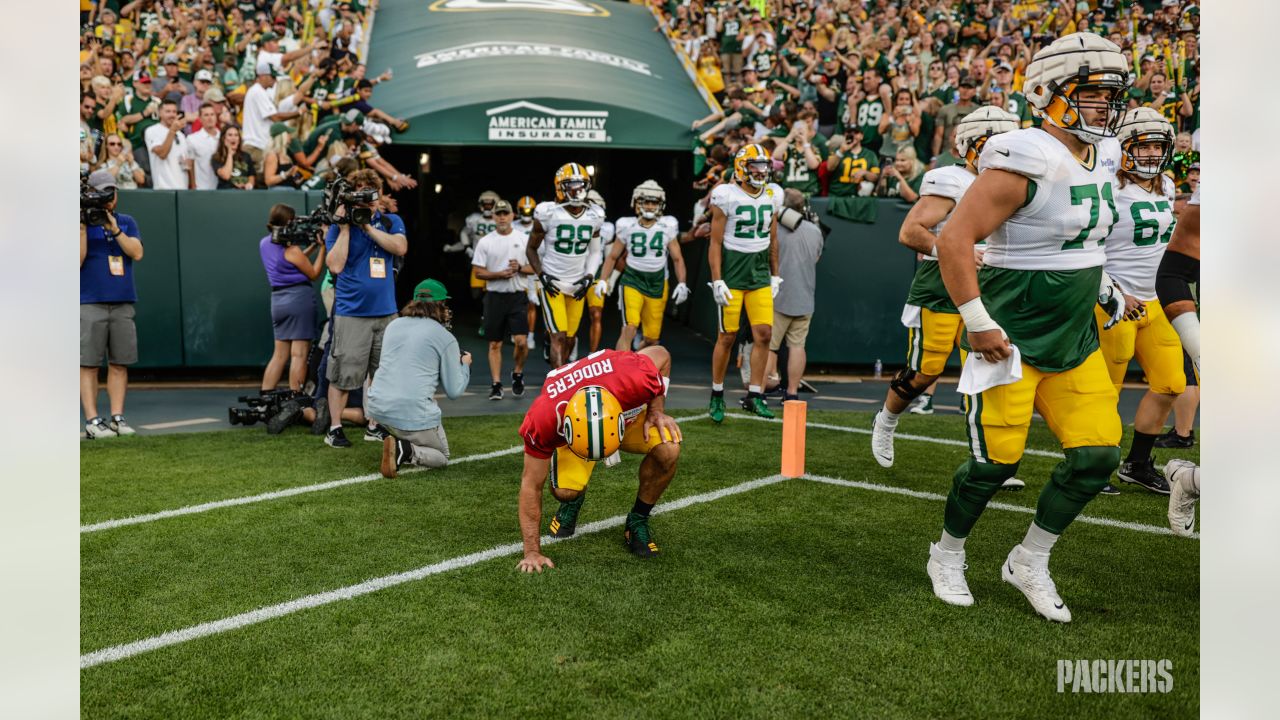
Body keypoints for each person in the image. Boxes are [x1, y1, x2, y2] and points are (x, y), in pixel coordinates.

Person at [926, 33, 1131, 623]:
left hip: (1075, 333)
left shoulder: (1108, 153)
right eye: (1088, 94)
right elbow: (953, 239)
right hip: (1011, 332)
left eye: (1108, 96)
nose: (1102, 107)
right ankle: (946, 553)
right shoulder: (1026, 153)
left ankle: (1029, 559)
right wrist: (976, 320)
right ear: (1046, 93)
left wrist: (1106, 285)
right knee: (995, 465)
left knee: (1096, 458)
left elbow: (1085, 240)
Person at [871, 106, 1020, 466]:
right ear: (969, 146)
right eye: (990, 143)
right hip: (940, 287)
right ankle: (887, 420)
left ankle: (989, 458)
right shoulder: (951, 180)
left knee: (988, 371)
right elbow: (910, 232)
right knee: (926, 371)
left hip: (989, 287)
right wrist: (956, 253)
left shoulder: (1016, 180)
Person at [516, 346, 683, 572]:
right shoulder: (545, 417)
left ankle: (637, 520)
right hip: (582, 428)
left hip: (624, 419)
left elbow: (663, 354)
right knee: (564, 491)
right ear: (565, 428)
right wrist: (532, 551)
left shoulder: (635, 378)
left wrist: (656, 409)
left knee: (669, 448)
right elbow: (531, 485)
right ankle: (572, 500)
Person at [1094, 108, 1183, 495]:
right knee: (1105, 390)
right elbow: (1086, 247)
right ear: (1124, 147)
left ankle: (1137, 463)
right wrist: (1114, 292)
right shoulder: (1106, 186)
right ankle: (1093, 466)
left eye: (1157, 146)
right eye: (1142, 145)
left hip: (1155, 301)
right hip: (1114, 301)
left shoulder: (1167, 185)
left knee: (1171, 383)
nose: (1150, 154)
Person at [323, 169, 408, 448]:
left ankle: (375, 424)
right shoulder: (338, 227)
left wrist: (369, 226)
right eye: (359, 194)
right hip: (352, 312)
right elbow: (334, 265)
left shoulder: (390, 220)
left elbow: (400, 247)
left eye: (370, 195)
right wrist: (348, 226)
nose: (365, 200)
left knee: (381, 373)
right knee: (344, 373)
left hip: (386, 311)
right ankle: (334, 428)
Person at [707, 144, 783, 421]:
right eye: (755, 166)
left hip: (760, 274)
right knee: (726, 336)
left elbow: (774, 240)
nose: (761, 171)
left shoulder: (773, 195)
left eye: (764, 166)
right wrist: (717, 280)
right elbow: (715, 242)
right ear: (741, 167)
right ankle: (717, 394)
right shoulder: (726, 195)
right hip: (733, 274)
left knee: (763, 334)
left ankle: (755, 395)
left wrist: (775, 274)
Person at [368, 279, 472, 478]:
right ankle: (406, 450)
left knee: (411, 418)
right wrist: (464, 365)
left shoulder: (394, 325)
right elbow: (454, 390)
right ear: (440, 305)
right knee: (442, 456)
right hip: (410, 410)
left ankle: (400, 440)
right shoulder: (445, 336)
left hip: (377, 408)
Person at [80, 170, 144, 439]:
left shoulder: (126, 222)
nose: (108, 198)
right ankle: (93, 420)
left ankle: (117, 417)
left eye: (111, 192)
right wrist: (82, 225)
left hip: (122, 302)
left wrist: (113, 228)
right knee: (89, 364)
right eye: (102, 192)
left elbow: (137, 253)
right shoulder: (80, 222)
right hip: (89, 301)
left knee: (120, 363)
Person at [595, 181, 691, 351]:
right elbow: (613, 256)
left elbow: (677, 258)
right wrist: (603, 279)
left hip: (658, 282)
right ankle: (621, 370)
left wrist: (682, 282)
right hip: (632, 280)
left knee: (651, 340)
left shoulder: (667, 225)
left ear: (660, 205)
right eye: (646, 201)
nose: (650, 206)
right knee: (629, 328)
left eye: (654, 202)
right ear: (637, 203)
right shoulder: (627, 225)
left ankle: (636, 367)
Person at [526, 164, 605, 368]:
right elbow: (531, 249)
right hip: (553, 282)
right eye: (571, 186)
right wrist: (542, 275)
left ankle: (563, 375)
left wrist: (589, 276)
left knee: (570, 338)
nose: (576, 191)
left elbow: (596, 251)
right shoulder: (547, 212)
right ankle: (558, 384)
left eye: (581, 186)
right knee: (558, 337)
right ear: (560, 188)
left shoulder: (594, 214)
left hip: (578, 282)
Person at [259, 204, 326, 397]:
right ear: (288, 223)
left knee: (279, 355)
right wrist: (322, 248)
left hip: (278, 301)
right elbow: (313, 272)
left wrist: (312, 246)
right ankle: (296, 400)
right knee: (299, 355)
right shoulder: (292, 250)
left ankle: (265, 396)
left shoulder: (264, 243)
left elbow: (292, 261)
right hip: (299, 301)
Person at [471, 200, 532, 400]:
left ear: (513, 215)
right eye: (499, 214)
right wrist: (498, 274)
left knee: (522, 342)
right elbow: (478, 272)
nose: (502, 217)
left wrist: (519, 269)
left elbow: (537, 267)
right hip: (495, 296)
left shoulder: (523, 238)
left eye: (506, 213)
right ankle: (496, 384)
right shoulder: (486, 241)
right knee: (494, 344)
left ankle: (518, 372)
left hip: (517, 295)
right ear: (494, 217)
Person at [766, 189, 822, 402]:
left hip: (779, 295)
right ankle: (791, 392)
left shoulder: (775, 229)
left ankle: (762, 389)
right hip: (805, 297)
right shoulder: (815, 230)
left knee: (770, 346)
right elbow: (816, 258)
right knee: (797, 346)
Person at [583, 189, 617, 353]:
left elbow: (610, 255)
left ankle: (592, 354)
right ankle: (570, 342)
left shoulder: (607, 228)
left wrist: (609, 278)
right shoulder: (575, 221)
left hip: (595, 274)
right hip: (574, 273)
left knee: (596, 314)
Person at [144, 99, 190, 190]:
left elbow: (185, 161)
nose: (172, 115)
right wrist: (172, 131)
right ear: (160, 113)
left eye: (174, 112)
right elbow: (162, 154)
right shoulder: (152, 131)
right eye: (168, 111)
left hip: (183, 187)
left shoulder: (181, 135)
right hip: (163, 187)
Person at [186, 103, 221, 190]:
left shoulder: (224, 137)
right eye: (206, 115)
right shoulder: (192, 139)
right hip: (202, 188)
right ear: (200, 119)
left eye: (212, 114)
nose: (210, 118)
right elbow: (190, 165)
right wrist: (193, 185)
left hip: (222, 188)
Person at [212, 124, 256, 189]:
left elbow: (251, 175)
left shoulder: (246, 156)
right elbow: (226, 175)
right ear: (223, 138)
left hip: (243, 194)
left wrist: (248, 185)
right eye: (230, 135)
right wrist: (230, 154)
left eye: (236, 135)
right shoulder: (217, 157)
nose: (233, 138)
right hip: (225, 193)